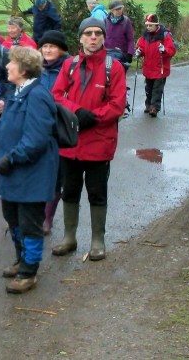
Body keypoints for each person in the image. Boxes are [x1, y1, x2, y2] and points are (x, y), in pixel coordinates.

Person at [0, 46, 59, 294]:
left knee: (30, 224)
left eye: (12, 63)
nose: (7, 66)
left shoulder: (37, 96)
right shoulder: (16, 92)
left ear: (24, 70)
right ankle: (21, 259)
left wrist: (10, 159)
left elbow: (36, 139)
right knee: (13, 219)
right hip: (12, 172)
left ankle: (29, 272)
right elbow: (2, 126)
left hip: (32, 173)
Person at [51, 18, 126, 262]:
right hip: (71, 141)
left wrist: (93, 117)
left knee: (97, 192)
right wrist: (76, 112)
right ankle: (69, 237)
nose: (93, 37)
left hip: (99, 141)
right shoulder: (69, 65)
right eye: (88, 33)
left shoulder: (113, 67)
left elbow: (117, 104)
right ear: (81, 38)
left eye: (97, 33)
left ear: (103, 37)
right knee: (70, 191)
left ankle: (97, 240)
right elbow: (56, 95)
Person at [35, 30, 70, 235]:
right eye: (45, 46)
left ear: (61, 49)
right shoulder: (35, 68)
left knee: (56, 175)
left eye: (52, 46)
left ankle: (47, 217)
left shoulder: (69, 68)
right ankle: (35, 214)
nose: (47, 50)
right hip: (37, 126)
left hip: (59, 127)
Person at [135, 14, 176, 117]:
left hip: (160, 68)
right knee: (148, 88)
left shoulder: (165, 35)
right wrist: (139, 52)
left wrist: (164, 50)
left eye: (150, 25)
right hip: (148, 67)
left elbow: (171, 50)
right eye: (147, 25)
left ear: (156, 25)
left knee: (157, 89)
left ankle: (154, 108)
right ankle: (148, 105)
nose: (148, 27)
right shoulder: (145, 35)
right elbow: (141, 47)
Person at [104, 0, 135, 68]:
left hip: (121, 55)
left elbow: (130, 39)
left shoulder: (126, 21)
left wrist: (130, 54)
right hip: (107, 53)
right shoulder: (105, 21)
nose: (119, 11)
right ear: (111, 10)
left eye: (120, 8)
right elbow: (102, 38)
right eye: (117, 9)